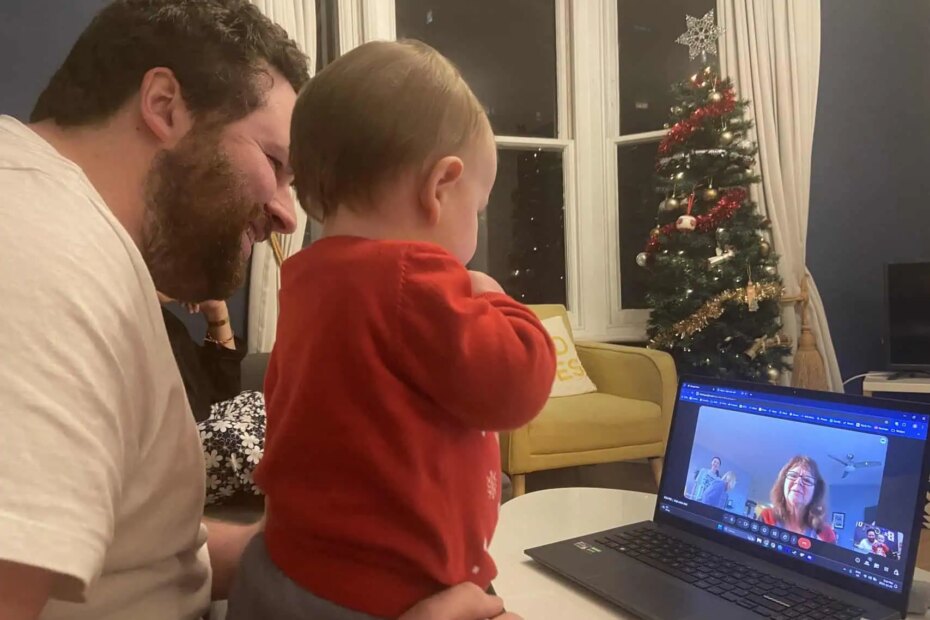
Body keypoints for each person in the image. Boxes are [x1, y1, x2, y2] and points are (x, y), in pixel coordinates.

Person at [0, 2, 518, 619]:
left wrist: (322, 563)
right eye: (274, 163)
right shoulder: (38, 251)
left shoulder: (74, 238)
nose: (289, 215)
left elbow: (144, 559)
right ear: (164, 106)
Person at [226, 40, 557, 619]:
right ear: (440, 187)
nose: (476, 226)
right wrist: (496, 298)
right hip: (389, 595)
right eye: (477, 209)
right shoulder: (414, 277)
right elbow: (517, 384)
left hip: (284, 567)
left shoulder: (309, 279)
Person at [758, 456, 837, 543]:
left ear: (815, 492)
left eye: (807, 480)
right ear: (783, 483)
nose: (798, 482)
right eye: (793, 475)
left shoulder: (826, 533)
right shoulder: (767, 516)